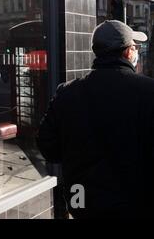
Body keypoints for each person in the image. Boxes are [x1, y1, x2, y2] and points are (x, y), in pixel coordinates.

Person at [37, 20, 154, 219]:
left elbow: (48, 147)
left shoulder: (67, 93)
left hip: (82, 202)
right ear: (127, 52)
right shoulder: (148, 91)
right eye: (135, 47)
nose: (136, 52)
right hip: (134, 205)